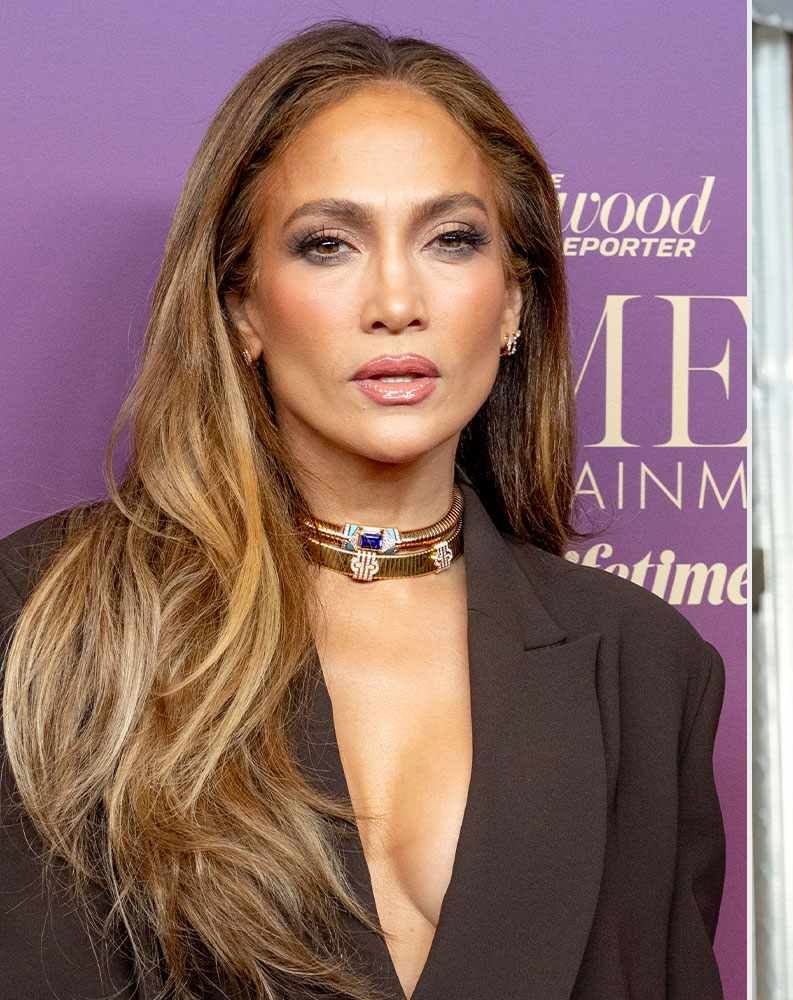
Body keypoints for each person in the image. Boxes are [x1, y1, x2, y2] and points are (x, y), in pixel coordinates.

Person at [0, 20, 724, 1000]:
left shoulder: (642, 666)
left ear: (514, 303)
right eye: (329, 244)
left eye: (451, 239)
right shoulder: (50, 613)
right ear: (243, 307)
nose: (395, 300)